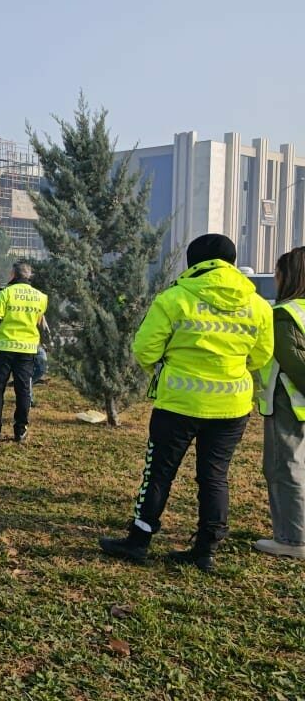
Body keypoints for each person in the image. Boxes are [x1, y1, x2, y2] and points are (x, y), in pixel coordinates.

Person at [99, 234, 273, 572]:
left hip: (178, 403)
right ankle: (206, 550)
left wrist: (164, 370)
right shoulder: (258, 305)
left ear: (193, 262)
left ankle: (139, 541)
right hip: (232, 406)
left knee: (159, 473)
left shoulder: (174, 299)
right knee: (215, 476)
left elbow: (145, 349)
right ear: (232, 263)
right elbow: (262, 355)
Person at [255, 247, 305, 559]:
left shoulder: (284, 315)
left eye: (277, 273)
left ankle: (292, 538)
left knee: (284, 468)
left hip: (290, 404)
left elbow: (293, 363)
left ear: (289, 276)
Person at [0, 263, 48, 443]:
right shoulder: (40, 297)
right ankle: (20, 430)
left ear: (12, 275)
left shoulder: (4, 294)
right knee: (23, 391)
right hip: (27, 349)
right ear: (29, 276)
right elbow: (38, 322)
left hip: (3, 348)